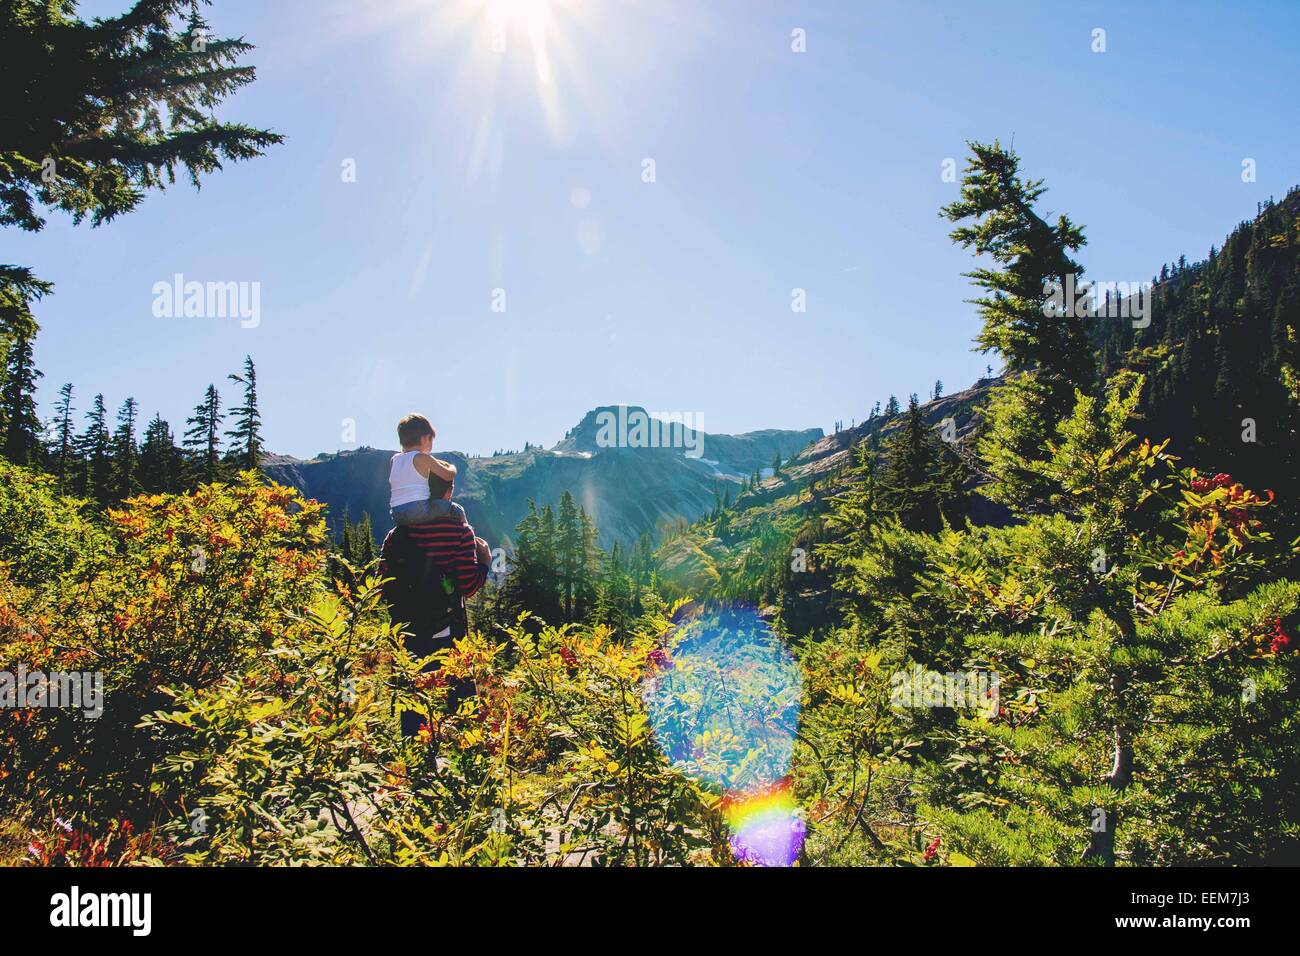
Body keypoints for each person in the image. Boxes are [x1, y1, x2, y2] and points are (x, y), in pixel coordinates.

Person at [379, 471, 492, 735]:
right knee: (461, 697)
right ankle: (467, 760)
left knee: (413, 700)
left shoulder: (396, 535)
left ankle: (418, 766)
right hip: (447, 632)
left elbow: (381, 586)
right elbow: (468, 585)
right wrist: (485, 563)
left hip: (406, 633)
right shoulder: (460, 531)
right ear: (449, 491)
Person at [388, 413, 467, 526]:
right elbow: (448, 475)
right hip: (419, 511)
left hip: (397, 514)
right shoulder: (423, 458)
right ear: (425, 438)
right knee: (456, 510)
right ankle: (470, 535)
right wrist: (452, 467)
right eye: (431, 440)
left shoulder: (394, 460)